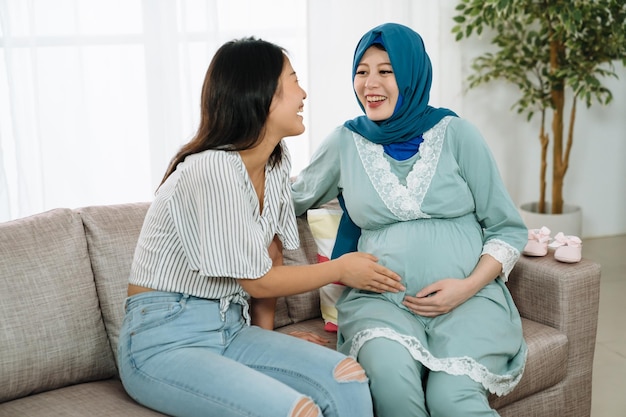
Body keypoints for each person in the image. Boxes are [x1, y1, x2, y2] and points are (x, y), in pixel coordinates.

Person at [117, 37, 405, 417]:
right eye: (293, 80)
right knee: (298, 411)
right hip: (165, 341)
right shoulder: (212, 169)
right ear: (263, 94)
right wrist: (340, 269)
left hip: (232, 329)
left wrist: (266, 342)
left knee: (347, 377)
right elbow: (258, 281)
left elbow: (272, 257)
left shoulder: (275, 165)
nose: (303, 93)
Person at [291, 23, 528, 417]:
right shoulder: (345, 142)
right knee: (392, 387)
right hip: (381, 305)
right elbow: (290, 201)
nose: (370, 83)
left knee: (451, 400)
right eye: (362, 71)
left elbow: (506, 227)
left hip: (468, 303)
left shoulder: (457, 135)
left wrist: (466, 288)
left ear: (413, 73)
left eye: (386, 71)